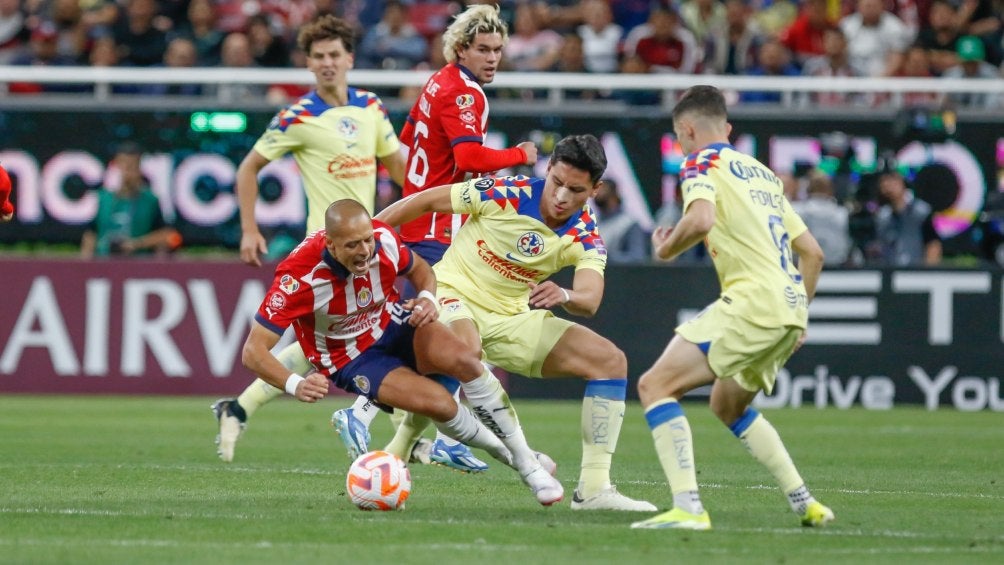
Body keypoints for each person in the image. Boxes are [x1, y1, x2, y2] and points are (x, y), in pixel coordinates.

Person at [374, 134, 656, 512]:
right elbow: (427, 200)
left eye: (575, 190)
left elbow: (590, 298)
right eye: (556, 182)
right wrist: (367, 231)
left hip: (511, 316)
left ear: (595, 189)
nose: (560, 196)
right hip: (454, 293)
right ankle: (426, 451)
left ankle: (593, 489)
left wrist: (566, 296)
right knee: (466, 352)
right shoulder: (507, 191)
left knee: (609, 361)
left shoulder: (583, 233)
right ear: (548, 169)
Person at [243, 199, 563, 505]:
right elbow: (254, 351)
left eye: (367, 240)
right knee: (440, 405)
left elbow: (422, 270)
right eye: (353, 245)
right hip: (353, 357)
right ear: (331, 245)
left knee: (466, 359)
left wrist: (426, 298)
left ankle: (527, 461)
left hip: (394, 321)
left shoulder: (383, 239)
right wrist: (296, 384)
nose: (365, 251)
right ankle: (516, 459)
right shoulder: (298, 278)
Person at [332, 4, 538, 474]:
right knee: (442, 342)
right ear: (461, 49)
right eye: (483, 49)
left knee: (445, 343)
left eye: (498, 50)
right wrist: (518, 154)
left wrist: (413, 194)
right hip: (438, 234)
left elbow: (408, 137)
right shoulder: (467, 93)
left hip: (421, 225)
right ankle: (363, 412)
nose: (492, 58)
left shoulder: (436, 81)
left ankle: (426, 438)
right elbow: (469, 155)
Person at [629, 85, 832, 530]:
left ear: (686, 131)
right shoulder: (762, 174)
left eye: (681, 139)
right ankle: (806, 503)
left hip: (752, 302)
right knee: (727, 405)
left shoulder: (700, 161)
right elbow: (812, 253)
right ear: (728, 127)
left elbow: (700, 219)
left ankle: (688, 507)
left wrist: (665, 250)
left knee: (655, 385)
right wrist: (800, 315)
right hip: (788, 307)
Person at [212, 14, 407, 463]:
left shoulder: (372, 109)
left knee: (322, 346)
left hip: (369, 247)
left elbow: (400, 172)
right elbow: (248, 168)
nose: (326, 63)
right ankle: (408, 438)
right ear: (308, 63)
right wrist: (248, 228)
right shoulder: (297, 116)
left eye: (334, 55)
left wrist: (422, 213)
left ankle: (238, 408)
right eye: (318, 56)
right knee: (375, 337)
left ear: (350, 59)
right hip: (325, 255)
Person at [80, 143, 179, 259]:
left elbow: (166, 234)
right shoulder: (103, 199)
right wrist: (85, 263)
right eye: (124, 165)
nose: (127, 172)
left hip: (137, 264)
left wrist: (136, 244)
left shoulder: (150, 200)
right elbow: (91, 233)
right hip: (104, 262)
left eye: (132, 166)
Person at [872, 166, 943, 265]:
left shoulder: (920, 211)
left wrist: (929, 271)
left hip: (915, 269)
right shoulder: (882, 216)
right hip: (890, 270)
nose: (888, 186)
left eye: (892, 181)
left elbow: (933, 243)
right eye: (884, 182)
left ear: (903, 183)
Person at [792, 170, 851, 266]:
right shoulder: (842, 213)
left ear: (807, 189)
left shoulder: (796, 210)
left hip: (804, 268)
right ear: (831, 189)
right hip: (836, 266)